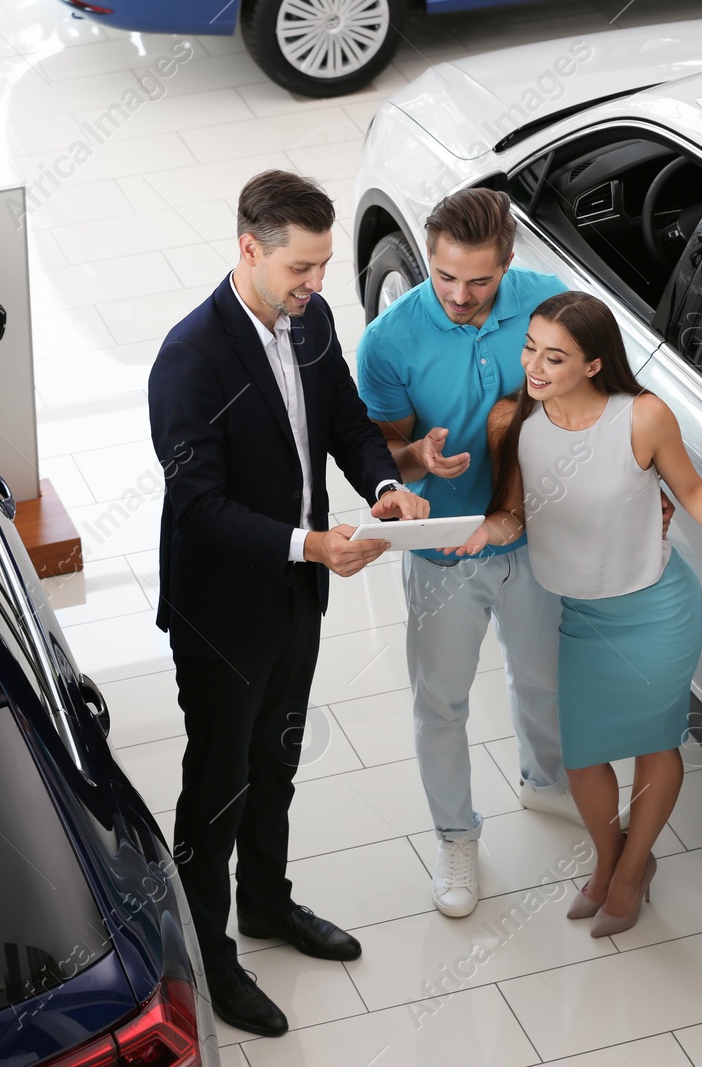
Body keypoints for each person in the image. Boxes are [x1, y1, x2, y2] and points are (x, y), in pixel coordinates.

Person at [148, 169, 427, 1036]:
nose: (315, 285)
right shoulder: (189, 358)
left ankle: (267, 903)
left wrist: (383, 483)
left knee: (279, 756)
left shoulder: (311, 320)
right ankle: (212, 952)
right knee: (218, 783)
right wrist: (310, 541)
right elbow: (197, 504)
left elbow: (344, 419)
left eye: (320, 266)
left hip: (298, 594)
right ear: (249, 249)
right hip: (223, 609)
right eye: (301, 268)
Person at [453, 291, 702, 936]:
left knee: (654, 742)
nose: (533, 366)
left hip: (656, 612)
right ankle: (612, 859)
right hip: (584, 617)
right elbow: (513, 512)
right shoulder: (513, 422)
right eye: (530, 347)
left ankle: (630, 867)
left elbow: (692, 489)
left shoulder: (642, 418)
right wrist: (487, 532)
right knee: (583, 757)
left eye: (554, 357)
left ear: (593, 366)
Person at [354, 188, 577, 919]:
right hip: (443, 552)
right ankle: (456, 835)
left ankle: (546, 780)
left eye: (478, 281)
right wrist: (415, 455)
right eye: (444, 276)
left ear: (507, 265)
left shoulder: (550, 305)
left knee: (542, 678)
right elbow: (379, 453)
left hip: (534, 539)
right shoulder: (389, 340)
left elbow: (597, 401)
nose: (458, 294)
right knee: (441, 703)